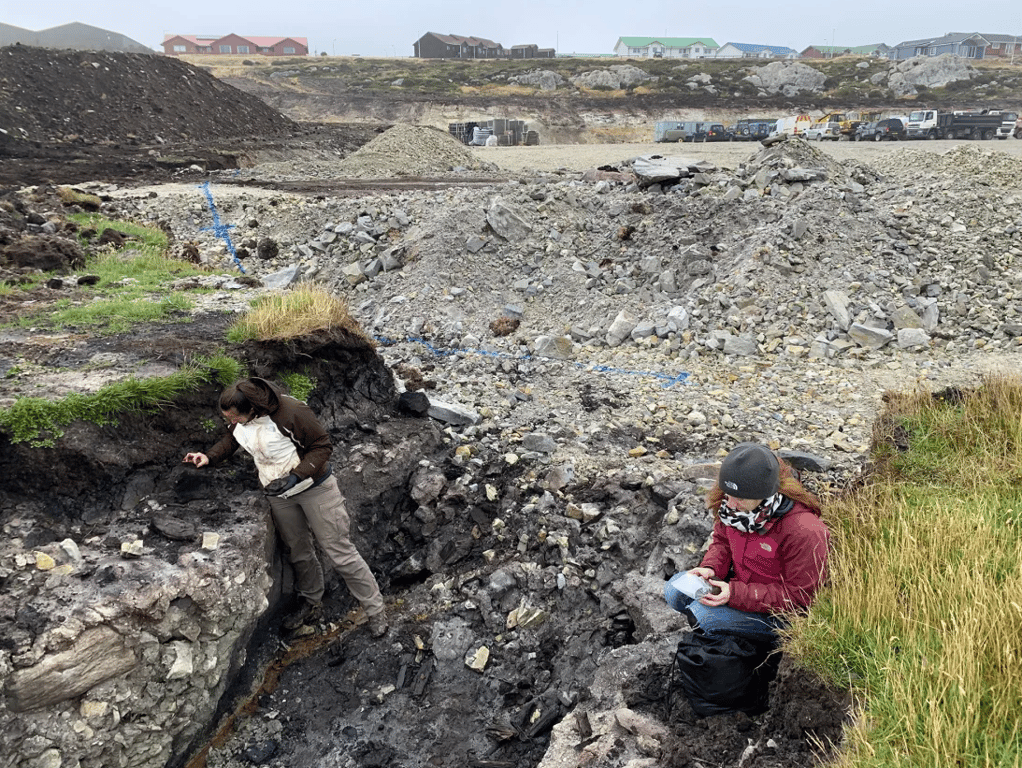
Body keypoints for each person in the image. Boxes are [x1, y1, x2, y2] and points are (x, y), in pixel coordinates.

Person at [183, 377, 389, 637]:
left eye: (235, 416)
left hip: (314, 488)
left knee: (339, 552)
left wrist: (295, 476)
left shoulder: (291, 412)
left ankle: (375, 609)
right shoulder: (240, 421)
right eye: (228, 417)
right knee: (299, 551)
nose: (231, 421)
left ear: (253, 409)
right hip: (278, 492)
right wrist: (209, 456)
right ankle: (312, 601)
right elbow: (233, 437)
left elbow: (322, 446)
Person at [664, 442, 829, 643]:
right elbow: (722, 542)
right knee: (674, 590)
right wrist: (710, 569)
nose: (731, 504)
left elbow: (800, 597)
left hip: (780, 616)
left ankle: (751, 648)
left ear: (764, 494)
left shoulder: (804, 530)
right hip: (741, 590)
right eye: (728, 494)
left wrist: (734, 594)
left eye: (740, 498)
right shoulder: (732, 509)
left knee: (703, 615)